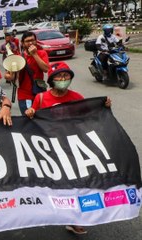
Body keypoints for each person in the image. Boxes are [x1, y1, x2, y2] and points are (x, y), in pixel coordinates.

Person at [24, 61, 111, 235]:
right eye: (59, 76)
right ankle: (56, 212)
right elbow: (32, 121)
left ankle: (74, 219)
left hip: (73, 148)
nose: (63, 79)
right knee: (56, 184)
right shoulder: (41, 98)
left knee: (76, 183)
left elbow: (89, 116)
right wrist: (30, 113)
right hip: (51, 149)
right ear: (51, 80)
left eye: (66, 76)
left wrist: (104, 106)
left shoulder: (77, 97)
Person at [5, 31, 49, 115]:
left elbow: (46, 69)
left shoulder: (42, 53)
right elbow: (8, 75)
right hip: (25, 95)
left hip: (39, 93)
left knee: (42, 117)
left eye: (32, 40)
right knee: (28, 119)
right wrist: (10, 76)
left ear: (36, 41)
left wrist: (35, 54)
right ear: (23, 43)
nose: (31, 43)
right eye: (27, 41)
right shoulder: (18, 57)